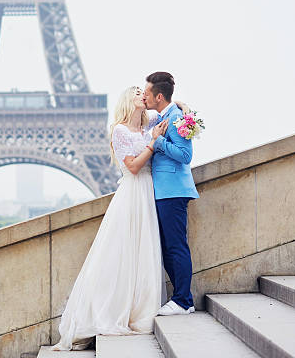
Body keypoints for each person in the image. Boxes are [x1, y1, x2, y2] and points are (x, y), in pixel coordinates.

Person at [50, 85, 188, 351]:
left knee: (144, 252)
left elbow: (170, 112)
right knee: (122, 252)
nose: (142, 95)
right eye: (137, 93)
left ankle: (139, 307)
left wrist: (183, 107)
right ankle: (112, 309)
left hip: (149, 194)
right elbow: (134, 167)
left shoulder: (150, 126)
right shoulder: (121, 130)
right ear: (128, 100)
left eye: (143, 92)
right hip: (133, 194)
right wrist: (152, 142)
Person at [143, 72, 199, 316]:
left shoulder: (176, 118)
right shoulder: (166, 115)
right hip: (163, 190)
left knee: (176, 246)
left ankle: (184, 301)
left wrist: (158, 142)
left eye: (146, 93)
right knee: (167, 247)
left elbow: (186, 156)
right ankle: (181, 297)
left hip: (173, 191)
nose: (144, 97)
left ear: (158, 96)